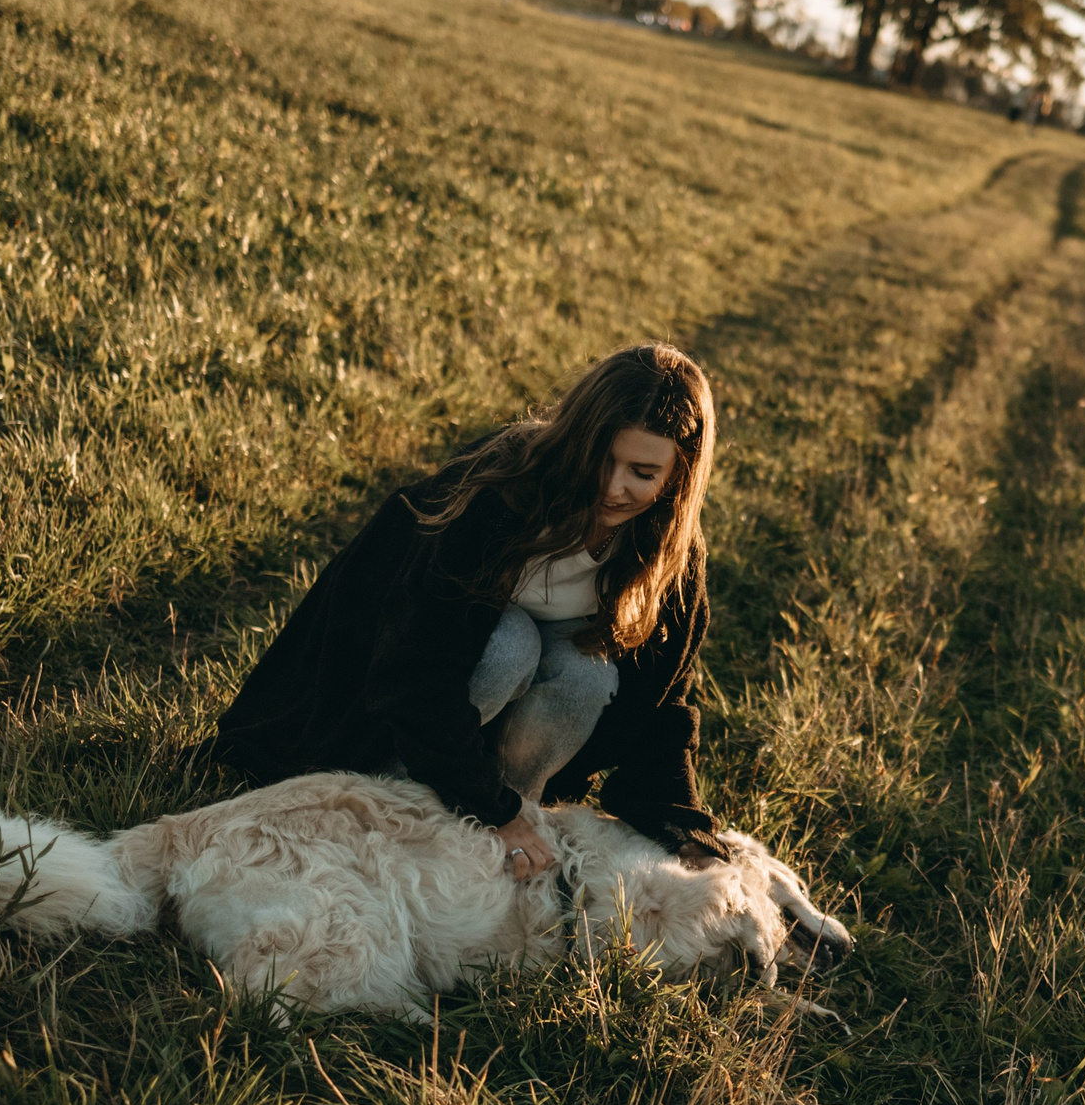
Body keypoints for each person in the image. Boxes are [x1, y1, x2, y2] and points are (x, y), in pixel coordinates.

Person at [209, 343, 724, 881]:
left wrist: (684, 829)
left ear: (677, 476)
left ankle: (509, 822)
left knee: (587, 674)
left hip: (495, 728)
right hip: (396, 691)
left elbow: (663, 703)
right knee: (511, 644)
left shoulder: (669, 555)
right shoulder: (502, 489)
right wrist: (486, 805)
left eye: (642, 472)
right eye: (600, 457)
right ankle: (390, 807)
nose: (612, 488)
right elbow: (413, 669)